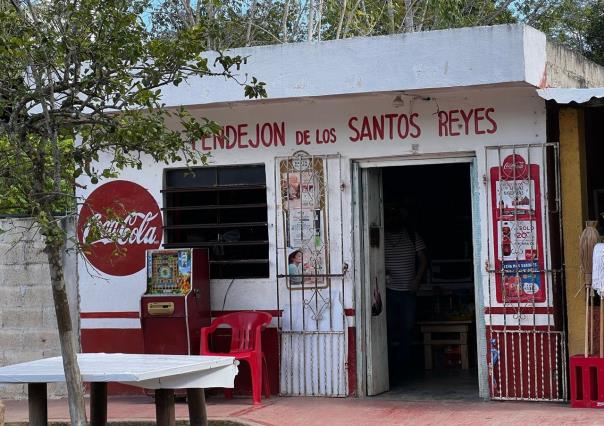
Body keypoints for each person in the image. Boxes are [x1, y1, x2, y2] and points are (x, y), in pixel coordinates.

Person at [384, 203, 428, 379]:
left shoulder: (412, 236)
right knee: (387, 329)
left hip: (408, 292)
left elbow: (424, 260)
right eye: (390, 216)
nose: (393, 220)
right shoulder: (380, 237)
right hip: (388, 291)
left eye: (396, 216)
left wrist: (417, 280)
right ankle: (387, 368)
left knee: (407, 329)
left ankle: (403, 366)